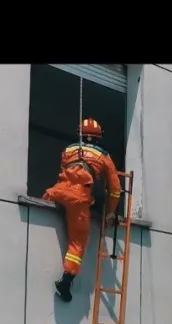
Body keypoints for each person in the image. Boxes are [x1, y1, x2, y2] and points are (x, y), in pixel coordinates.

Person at [40, 117, 122, 302]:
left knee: (38, 211)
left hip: (57, 191)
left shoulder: (68, 150)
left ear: (80, 134)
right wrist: (110, 212)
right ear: (98, 137)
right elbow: (115, 190)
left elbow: (64, 173)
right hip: (79, 199)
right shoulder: (104, 156)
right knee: (77, 244)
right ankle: (66, 281)